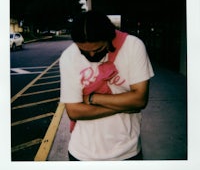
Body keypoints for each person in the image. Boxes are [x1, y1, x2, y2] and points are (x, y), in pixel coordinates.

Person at [59, 10, 154, 161]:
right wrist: (125, 105)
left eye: (97, 50)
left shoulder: (133, 46)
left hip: (127, 151)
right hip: (82, 153)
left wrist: (92, 98)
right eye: (84, 51)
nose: (91, 56)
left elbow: (139, 100)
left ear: (110, 38)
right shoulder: (69, 57)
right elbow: (75, 112)